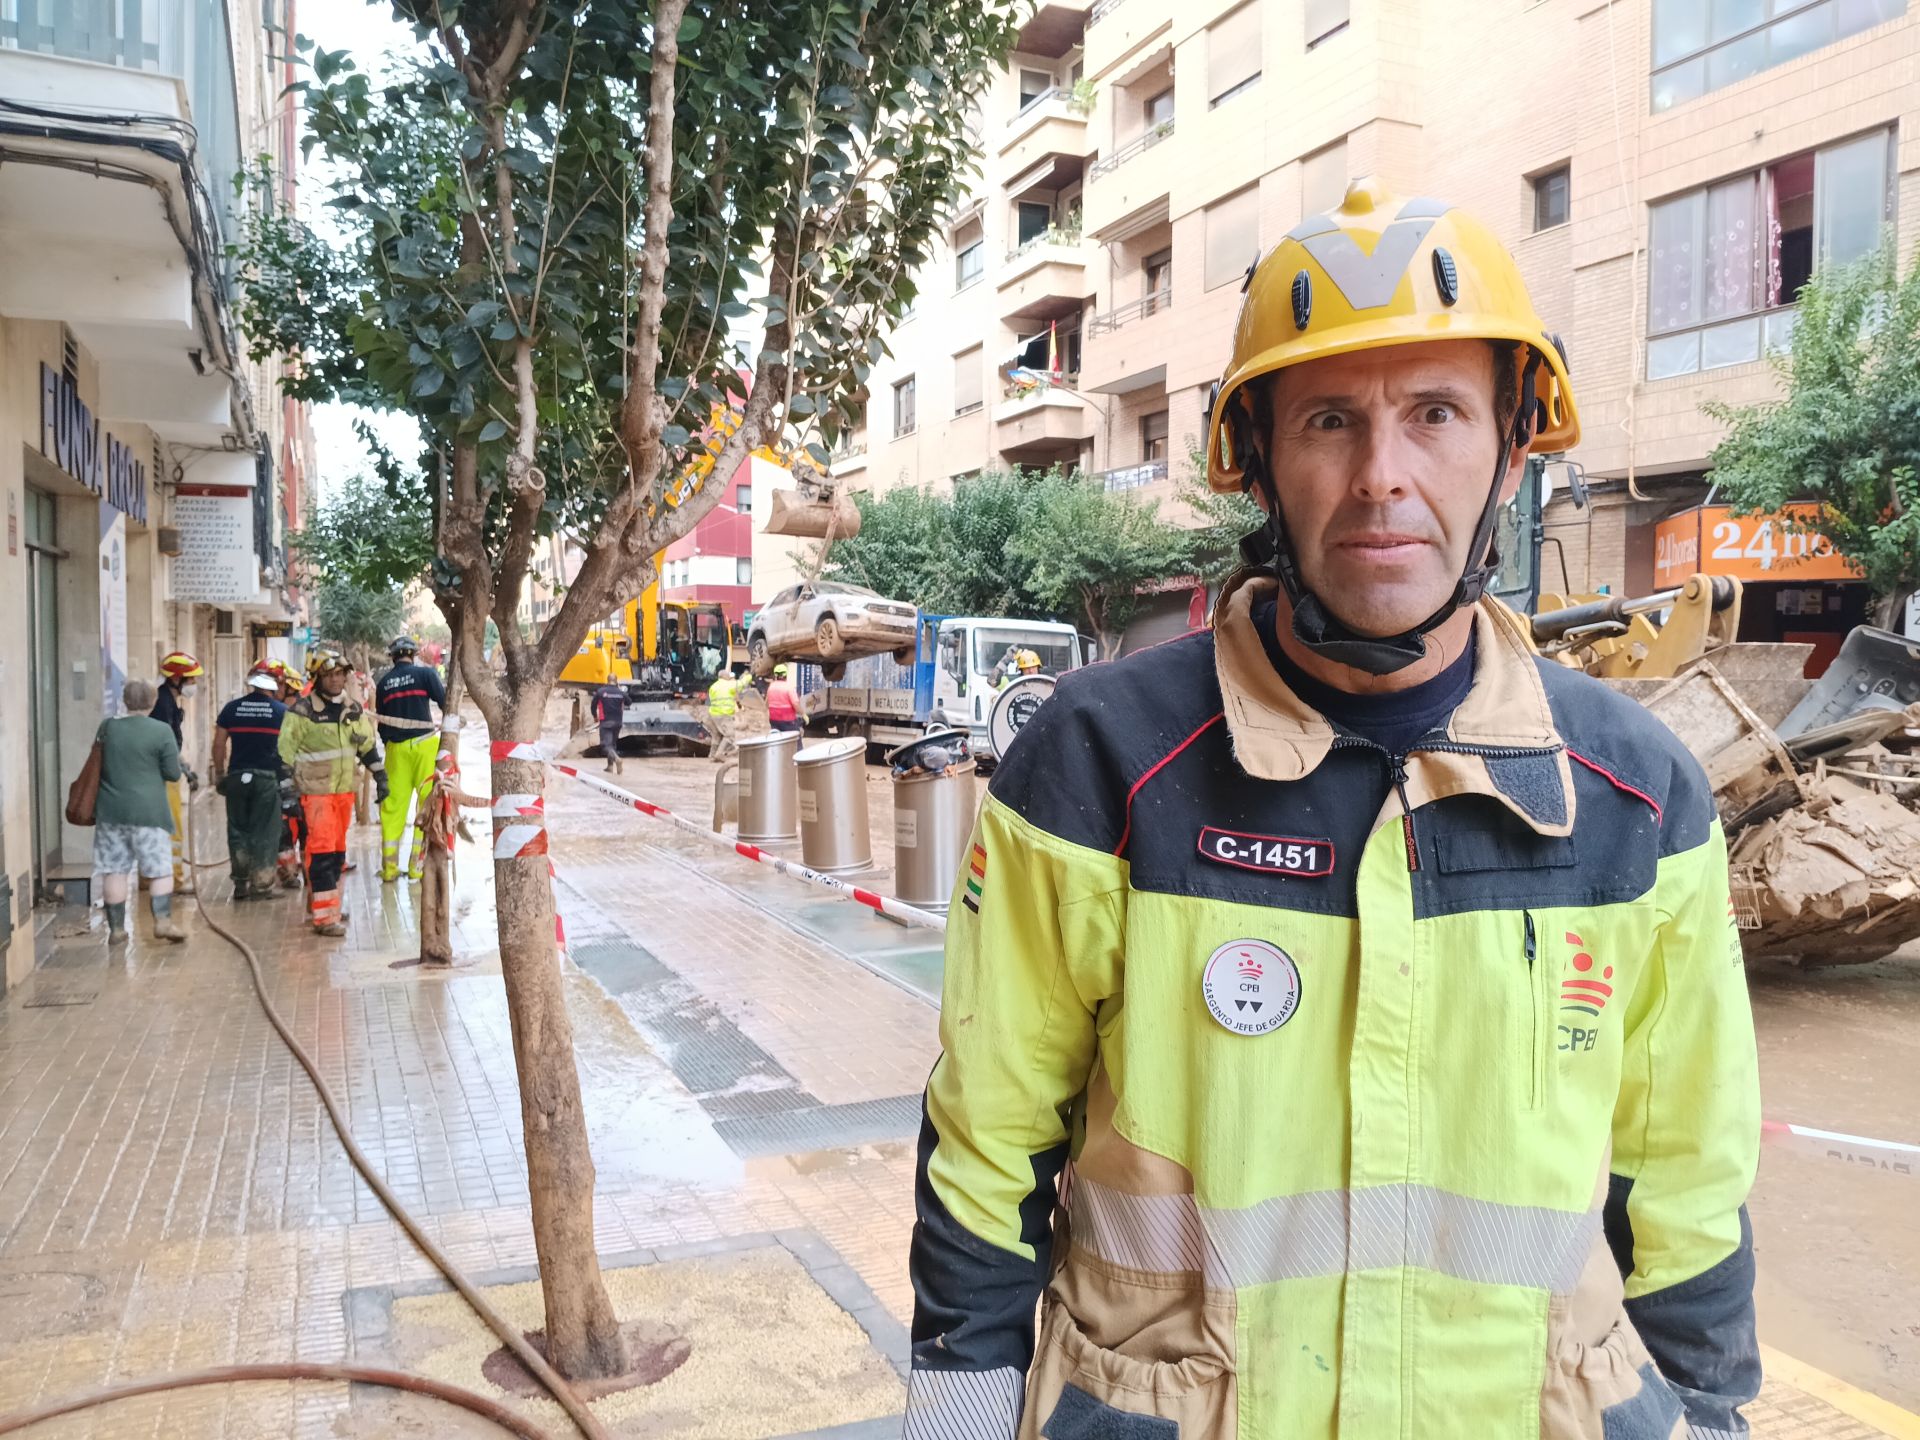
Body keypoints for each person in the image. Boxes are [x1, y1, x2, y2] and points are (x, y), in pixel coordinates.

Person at [902, 180, 1759, 1440]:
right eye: (1328, 420)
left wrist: (1713, 1421)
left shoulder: (1633, 794)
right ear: (1258, 460)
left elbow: (1686, 1185)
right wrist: (956, 1426)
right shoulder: (1099, 766)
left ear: (1512, 450)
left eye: (1435, 413)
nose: (1381, 476)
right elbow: (988, 1150)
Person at [280, 649, 387, 937]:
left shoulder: (351, 709)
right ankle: (325, 919)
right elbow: (284, 755)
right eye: (330, 675)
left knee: (337, 854)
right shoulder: (303, 712)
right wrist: (288, 794)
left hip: (343, 793)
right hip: (315, 793)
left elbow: (366, 746)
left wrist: (380, 775)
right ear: (317, 678)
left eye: (340, 674)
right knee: (324, 852)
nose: (337, 679)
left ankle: (324, 907)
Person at [93, 678, 187, 944]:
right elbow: (172, 772)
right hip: (150, 813)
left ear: (124, 700)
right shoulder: (160, 731)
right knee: (159, 869)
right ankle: (163, 922)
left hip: (110, 812)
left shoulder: (107, 727)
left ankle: (117, 930)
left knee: (114, 870)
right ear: (153, 702)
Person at [374, 635, 447, 882]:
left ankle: (390, 870)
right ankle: (417, 868)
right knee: (426, 805)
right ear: (413, 654)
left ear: (393, 657)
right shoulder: (426, 675)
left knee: (393, 807)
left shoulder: (383, 683)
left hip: (396, 750)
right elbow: (446, 703)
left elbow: (382, 725)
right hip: (426, 745)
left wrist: (392, 746)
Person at [212, 666, 288, 900]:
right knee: (265, 832)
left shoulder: (231, 709)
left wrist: (219, 773)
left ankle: (240, 885)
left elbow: (219, 744)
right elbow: (289, 747)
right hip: (267, 779)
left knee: (237, 830)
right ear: (273, 686)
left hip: (237, 777)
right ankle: (262, 885)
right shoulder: (282, 711)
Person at [151, 650, 203, 887]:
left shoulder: (167, 701)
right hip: (163, 776)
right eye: (191, 679)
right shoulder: (163, 704)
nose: (193, 684)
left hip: (163, 772)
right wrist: (180, 767)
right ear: (176, 678)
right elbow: (165, 743)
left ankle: (150, 877)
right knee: (172, 827)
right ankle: (175, 878)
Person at [594, 677, 627, 774]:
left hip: (606, 722)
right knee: (612, 744)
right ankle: (610, 766)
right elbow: (629, 701)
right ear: (616, 681)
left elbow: (593, 705)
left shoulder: (601, 692)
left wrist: (595, 716)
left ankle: (617, 759)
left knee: (605, 745)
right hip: (618, 723)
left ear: (607, 681)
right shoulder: (621, 693)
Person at [706, 667, 740, 763]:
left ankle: (712, 756)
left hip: (713, 714)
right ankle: (719, 754)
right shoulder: (728, 685)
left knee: (716, 736)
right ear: (724, 676)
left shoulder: (713, 686)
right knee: (730, 735)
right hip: (723, 713)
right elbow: (740, 686)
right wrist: (748, 676)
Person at [766, 663, 801, 734]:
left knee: (777, 740)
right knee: (795, 741)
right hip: (788, 720)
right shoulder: (789, 687)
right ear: (786, 675)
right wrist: (802, 713)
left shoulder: (771, 687)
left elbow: (767, 703)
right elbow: (795, 703)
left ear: (775, 675)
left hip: (774, 720)